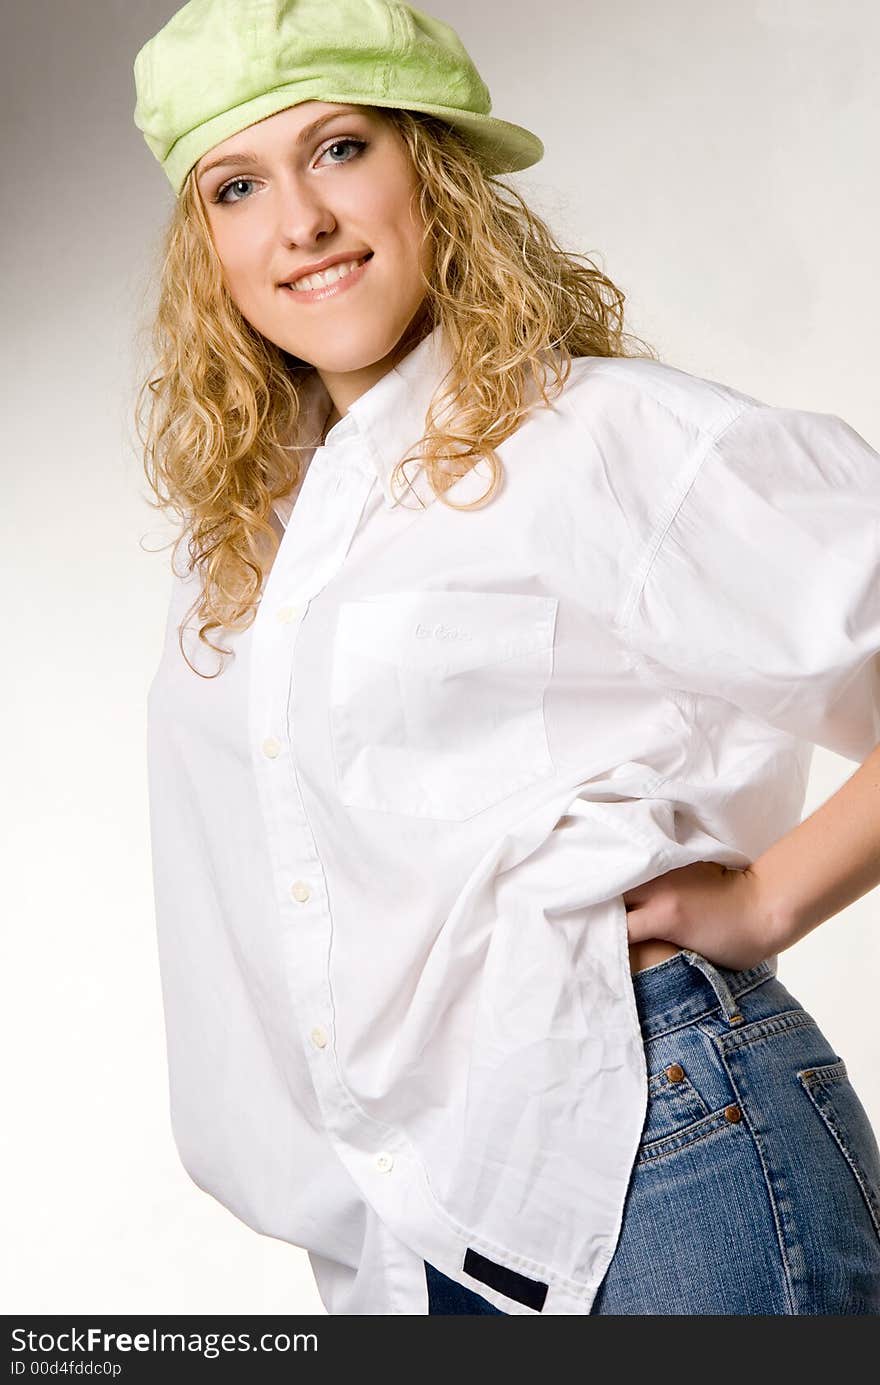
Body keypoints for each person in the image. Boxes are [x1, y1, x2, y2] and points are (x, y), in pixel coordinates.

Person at [132, 0, 880, 1315]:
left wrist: (770, 900)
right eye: (239, 185)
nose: (298, 218)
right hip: (423, 1237)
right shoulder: (262, 560)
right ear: (207, 247)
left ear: (433, 171)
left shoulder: (592, 437)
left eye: (341, 148)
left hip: (658, 1155)